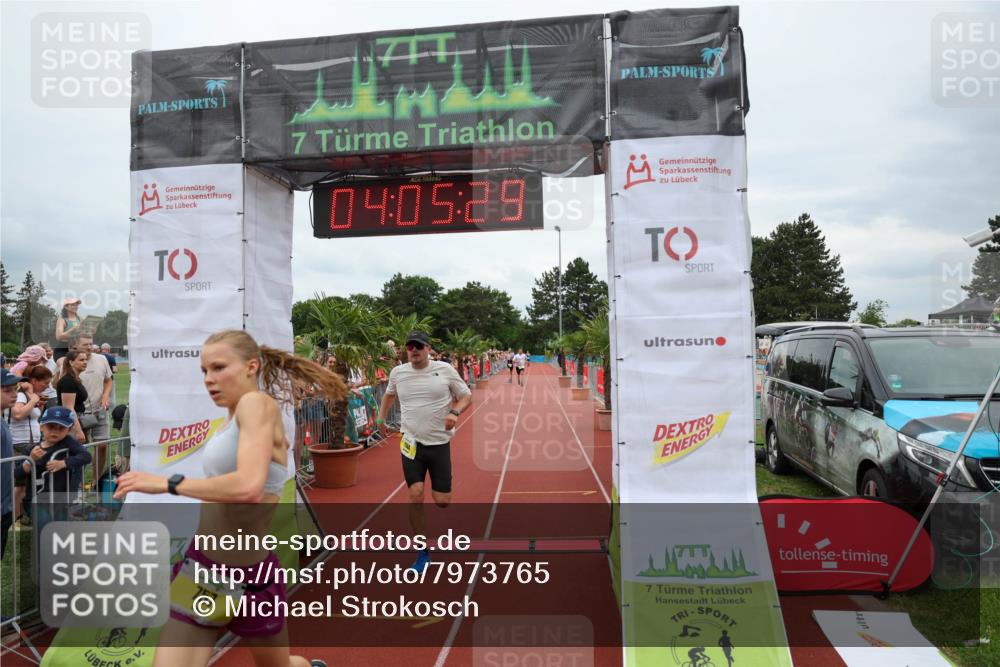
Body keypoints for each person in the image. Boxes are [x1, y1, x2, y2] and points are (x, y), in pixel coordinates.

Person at [114, 329, 343, 667]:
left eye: (219, 367)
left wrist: (167, 483)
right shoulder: (230, 417)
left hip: (251, 578)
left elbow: (249, 487)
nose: (209, 379)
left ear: (251, 366)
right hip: (205, 570)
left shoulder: (257, 405)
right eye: (204, 370)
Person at [377, 331, 472, 573]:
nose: (414, 351)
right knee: (415, 494)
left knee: (442, 501)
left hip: (439, 443)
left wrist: (454, 412)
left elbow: (466, 396)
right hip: (411, 443)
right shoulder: (398, 373)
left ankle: (443, 486)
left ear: (428, 348)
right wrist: (380, 418)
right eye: (410, 347)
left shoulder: (444, 370)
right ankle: (422, 552)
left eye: (418, 346)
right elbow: (389, 395)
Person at [15, 406, 92, 535]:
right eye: (51, 427)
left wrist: (63, 463)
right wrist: (30, 460)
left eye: (61, 428)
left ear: (68, 430)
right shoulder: (31, 450)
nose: (55, 431)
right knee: (45, 525)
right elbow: (17, 473)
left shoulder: (67, 442)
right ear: (41, 427)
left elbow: (86, 456)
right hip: (36, 499)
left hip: (60, 499)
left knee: (59, 526)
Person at [8, 366, 52, 525]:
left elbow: (32, 417)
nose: (47, 386)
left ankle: (21, 516)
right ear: (34, 380)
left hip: (29, 442)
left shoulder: (31, 395)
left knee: (27, 483)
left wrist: (38, 403)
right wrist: (33, 400)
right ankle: (14, 518)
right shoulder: (21, 395)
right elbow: (18, 414)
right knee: (19, 484)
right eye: (45, 382)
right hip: (20, 443)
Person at [1, 369, 24, 557]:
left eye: (15, 389)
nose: (14, 394)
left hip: (5, 506)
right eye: (7, 390)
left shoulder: (2, 419)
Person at [55, 348, 88, 442]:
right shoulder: (68, 381)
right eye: (81, 360)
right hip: (71, 423)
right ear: (71, 362)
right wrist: (78, 430)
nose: (85, 362)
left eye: (86, 360)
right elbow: (68, 408)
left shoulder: (75, 379)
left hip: (76, 420)